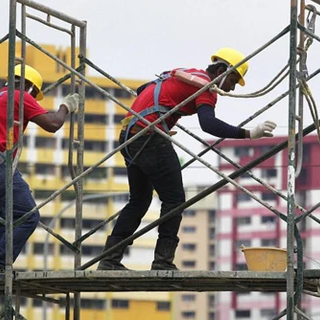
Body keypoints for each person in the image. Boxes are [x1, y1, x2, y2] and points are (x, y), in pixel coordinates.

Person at [97, 47, 277, 271]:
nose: (231, 88)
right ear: (221, 70)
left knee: (139, 201)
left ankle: (109, 261)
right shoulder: (205, 87)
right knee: (174, 201)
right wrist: (249, 134)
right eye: (232, 79)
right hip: (150, 139)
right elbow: (208, 124)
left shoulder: (185, 74)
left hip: (129, 136)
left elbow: (144, 89)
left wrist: (163, 117)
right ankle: (162, 262)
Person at [0, 64, 79, 273]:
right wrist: (65, 107)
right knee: (28, 216)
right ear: (28, 86)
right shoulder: (19, 96)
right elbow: (52, 124)